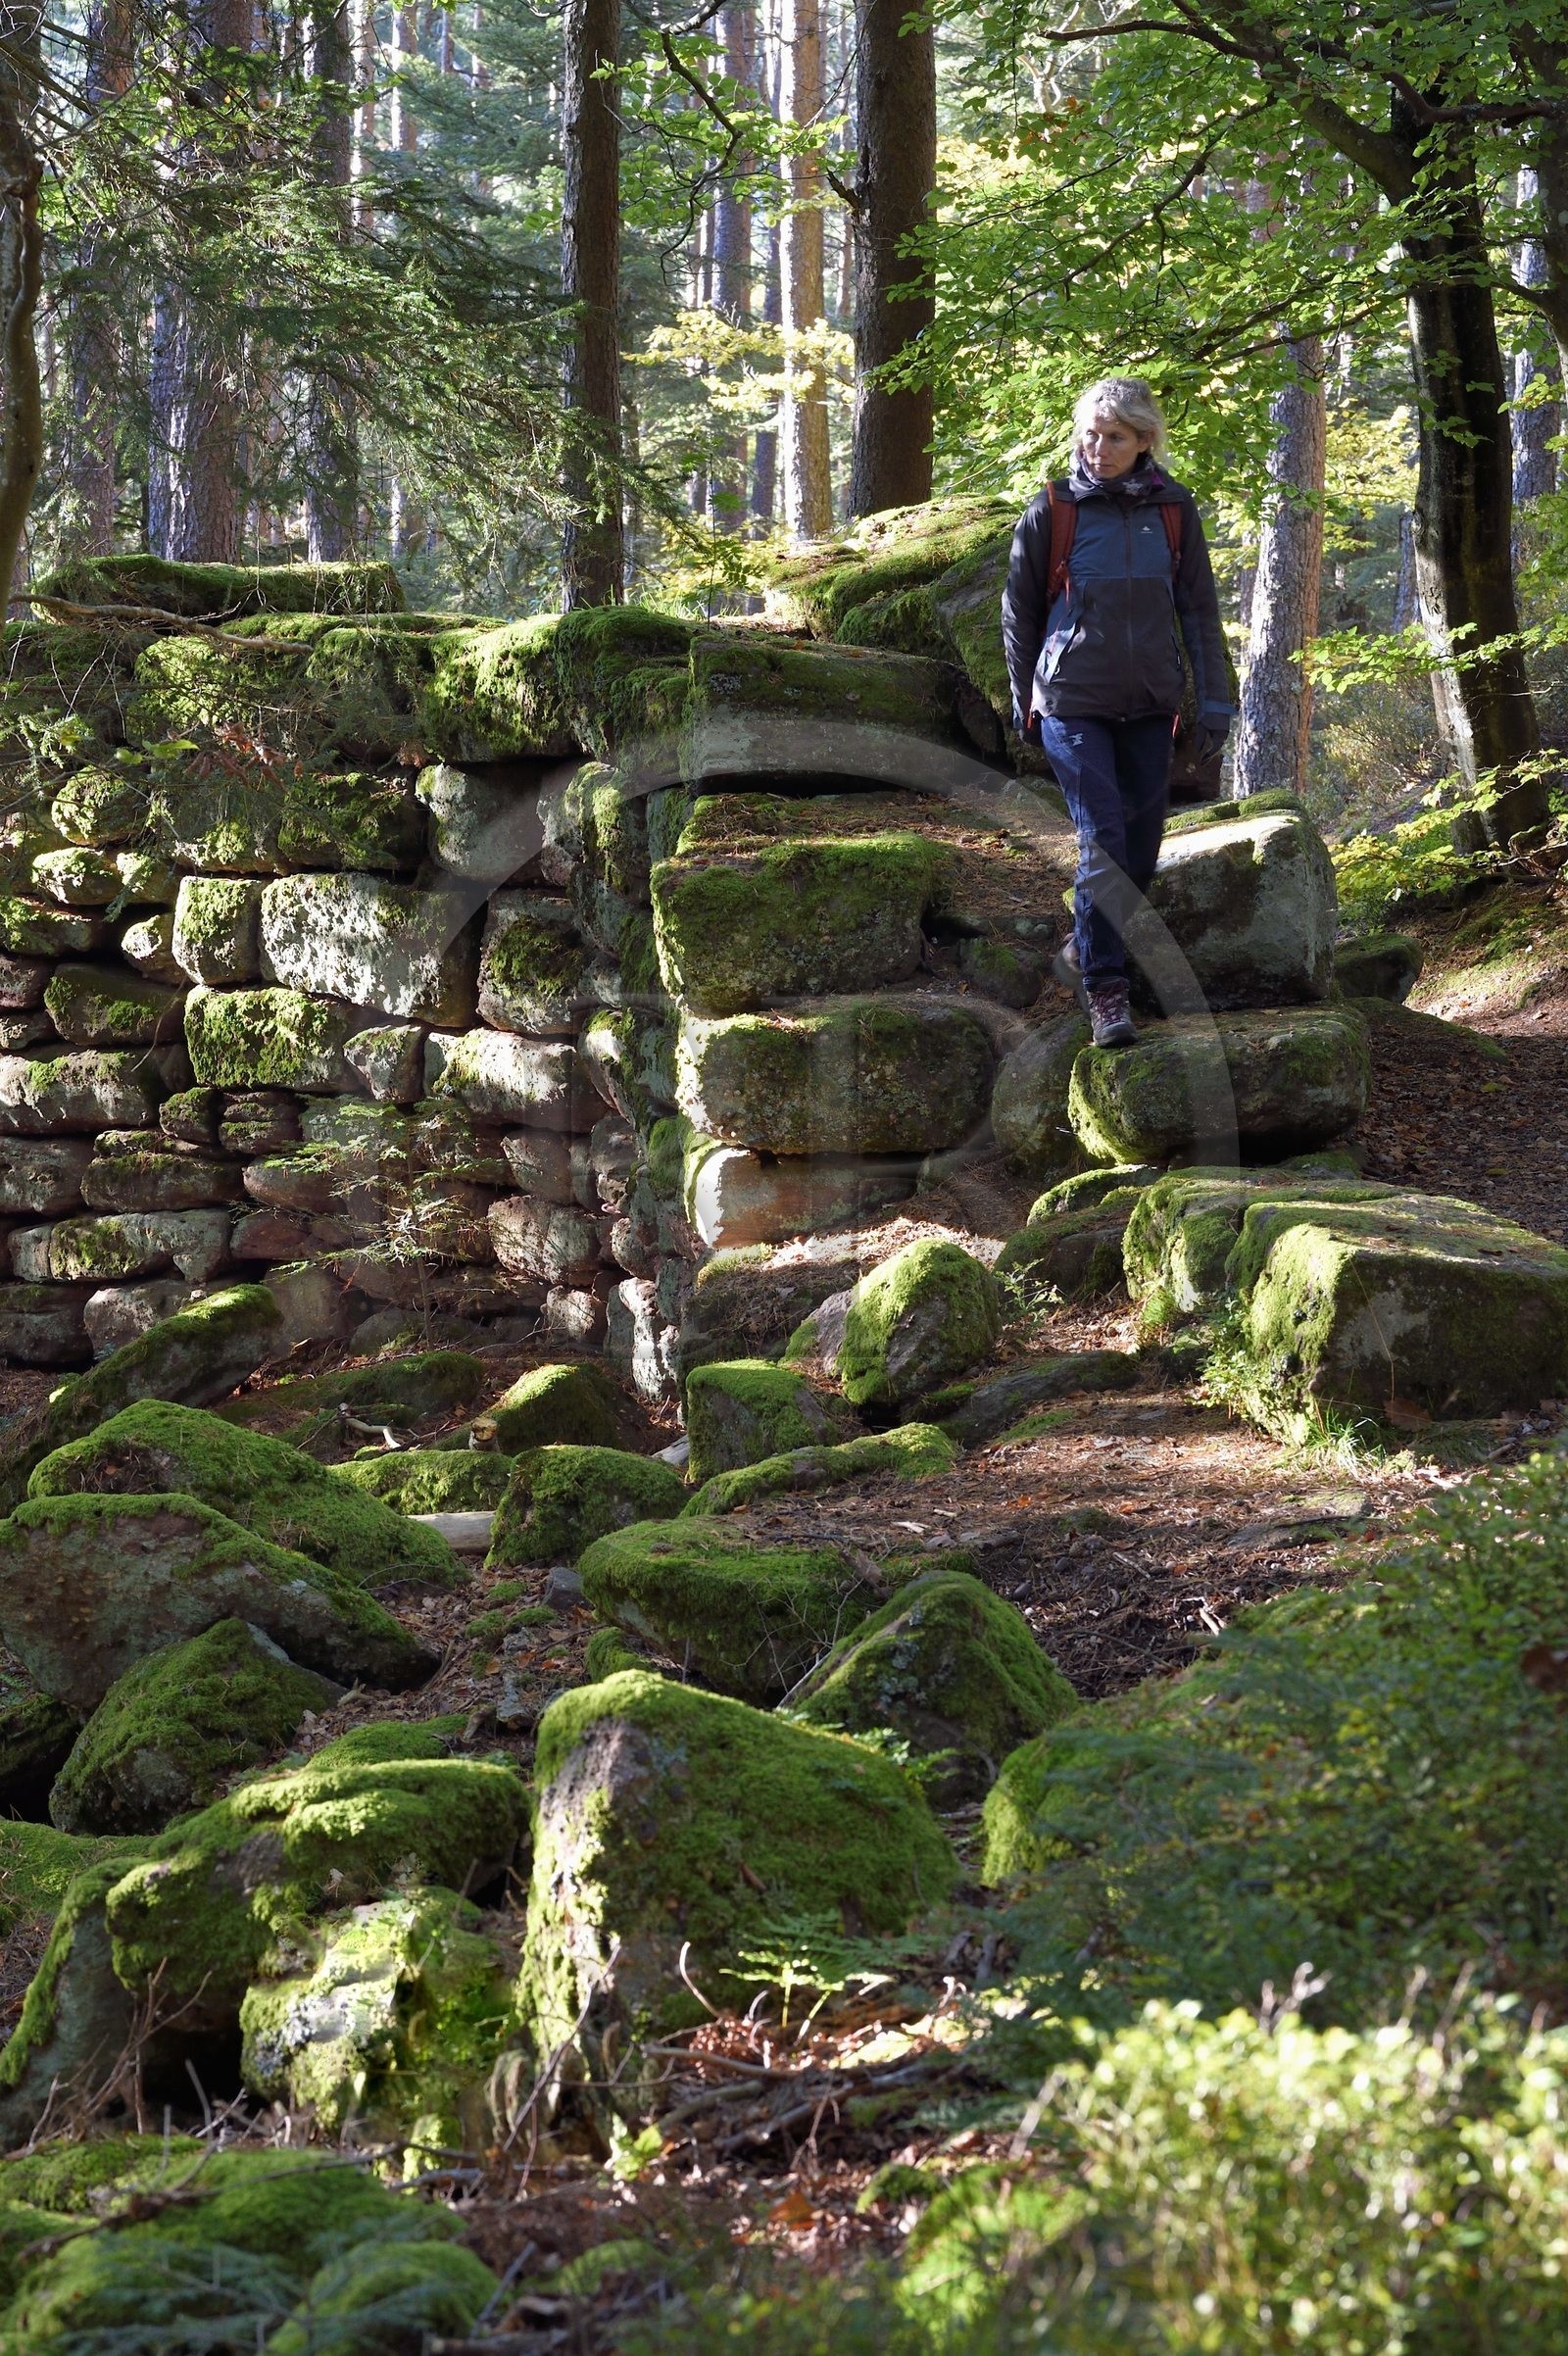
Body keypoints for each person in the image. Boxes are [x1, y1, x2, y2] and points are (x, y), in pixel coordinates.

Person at [1002, 377, 1232, 1049]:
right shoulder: (1054, 508)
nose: (1098, 449)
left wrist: (1214, 702)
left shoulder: (1174, 509)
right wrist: (1025, 701)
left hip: (1150, 700)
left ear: (1144, 442)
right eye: (1091, 435)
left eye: (1115, 438)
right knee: (1101, 837)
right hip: (1072, 698)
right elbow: (1019, 614)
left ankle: (1078, 949)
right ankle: (1105, 988)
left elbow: (1198, 609)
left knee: (1141, 851)